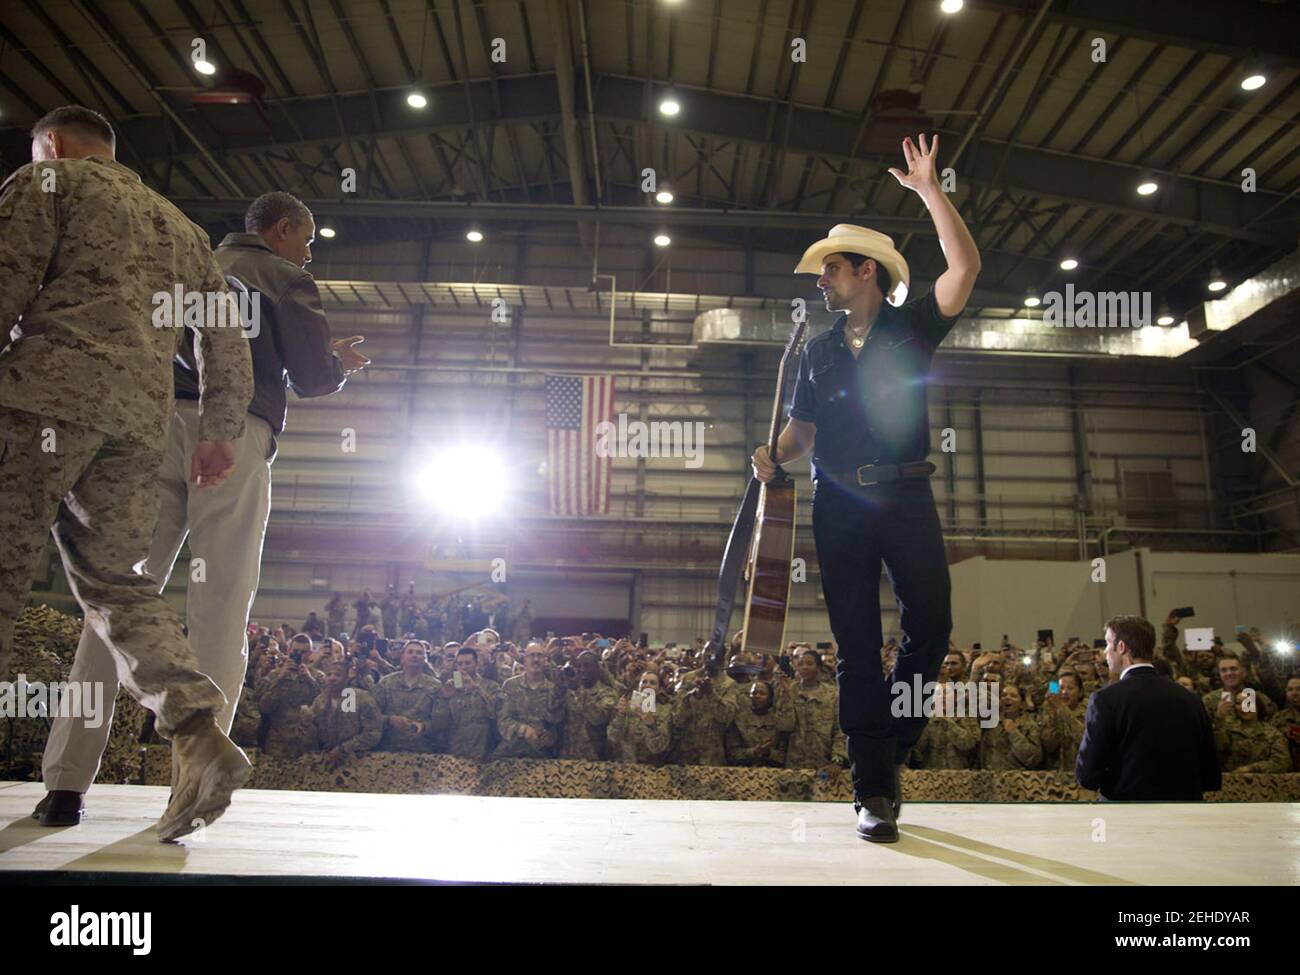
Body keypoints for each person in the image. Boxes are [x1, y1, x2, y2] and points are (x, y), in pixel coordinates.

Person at [40, 188, 367, 823]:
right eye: (306, 240)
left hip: (149, 428)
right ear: (279, 231)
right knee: (219, 603)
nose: (308, 253)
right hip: (234, 431)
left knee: (119, 603)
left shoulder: (184, 259)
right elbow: (312, 375)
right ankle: (191, 790)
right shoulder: (282, 278)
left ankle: (63, 784)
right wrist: (342, 365)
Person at [2, 106, 254, 839]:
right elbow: (224, 336)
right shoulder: (180, 226)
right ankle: (200, 733)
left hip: (37, 399)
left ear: (52, 144)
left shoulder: (49, 182)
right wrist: (219, 428)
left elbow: (7, 278)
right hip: (136, 428)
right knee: (117, 582)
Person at [752, 133, 979, 841]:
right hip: (839, 505)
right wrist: (770, 453)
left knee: (933, 624)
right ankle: (873, 790)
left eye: (830, 270)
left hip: (907, 496)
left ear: (866, 272)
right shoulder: (816, 353)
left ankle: (889, 738)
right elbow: (804, 435)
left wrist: (929, 192)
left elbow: (965, 266)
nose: (820, 282)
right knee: (855, 646)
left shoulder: (913, 329)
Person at [1076, 615, 1221, 800]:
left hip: (1128, 814)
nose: (1105, 651)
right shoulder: (1190, 699)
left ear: (1121, 647)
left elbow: (1088, 776)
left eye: (1107, 643)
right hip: (1185, 815)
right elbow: (1210, 776)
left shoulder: (1105, 700)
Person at [493, 641, 565, 758]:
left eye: (540, 655)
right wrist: (523, 730)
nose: (536, 659)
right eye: (531, 655)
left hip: (542, 754)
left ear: (545, 660)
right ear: (524, 660)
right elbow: (502, 720)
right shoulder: (510, 685)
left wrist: (551, 736)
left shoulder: (554, 690)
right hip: (512, 752)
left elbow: (559, 723)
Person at [433, 645, 500, 760]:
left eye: (468, 663)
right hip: (455, 751)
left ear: (476, 664)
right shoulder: (451, 687)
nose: (463, 667)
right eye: (460, 664)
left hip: (484, 752)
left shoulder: (491, 686)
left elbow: (495, 713)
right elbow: (439, 723)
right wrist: (444, 698)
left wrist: (476, 689)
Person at [313, 658, 383, 768]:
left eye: (337, 675)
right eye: (329, 674)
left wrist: (344, 748)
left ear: (346, 678)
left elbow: (373, 732)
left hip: (358, 761)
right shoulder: (319, 701)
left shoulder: (362, 698)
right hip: (327, 760)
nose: (332, 678)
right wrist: (305, 723)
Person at [373, 640, 441, 752]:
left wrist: (424, 726)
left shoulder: (435, 686)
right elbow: (372, 715)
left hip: (422, 749)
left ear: (424, 659)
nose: (414, 655)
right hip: (389, 748)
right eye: (410, 652)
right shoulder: (386, 683)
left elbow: (441, 721)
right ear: (402, 657)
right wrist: (389, 720)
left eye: (419, 653)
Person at [784, 648, 846, 771]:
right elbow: (784, 726)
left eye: (809, 664)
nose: (805, 667)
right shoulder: (789, 691)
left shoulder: (832, 693)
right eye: (800, 664)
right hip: (794, 762)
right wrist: (787, 696)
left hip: (824, 761)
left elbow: (840, 729)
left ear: (818, 667)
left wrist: (837, 761)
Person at [557, 651, 618, 760]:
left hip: (593, 759)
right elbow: (555, 715)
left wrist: (579, 690)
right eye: (579, 666)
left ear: (597, 669)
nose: (582, 670)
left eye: (587, 666)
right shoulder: (570, 690)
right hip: (567, 757)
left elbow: (597, 718)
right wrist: (560, 687)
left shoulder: (607, 693)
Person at [1216, 690, 1292, 773]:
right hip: (1228, 782)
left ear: (1258, 706)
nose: (1243, 707)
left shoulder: (1272, 734)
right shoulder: (1227, 729)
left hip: (1262, 784)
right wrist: (1219, 719)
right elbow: (1214, 751)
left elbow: (1282, 763)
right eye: (1239, 703)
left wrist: (1252, 768)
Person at [607, 672, 672, 765]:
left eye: (652, 683)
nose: (647, 685)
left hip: (651, 767)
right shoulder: (626, 706)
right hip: (624, 764)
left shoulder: (665, 710)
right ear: (639, 686)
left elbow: (659, 747)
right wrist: (620, 715)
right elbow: (613, 737)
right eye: (644, 682)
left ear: (659, 689)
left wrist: (652, 726)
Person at [726, 681, 794, 767]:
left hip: (772, 772)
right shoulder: (738, 720)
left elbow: (784, 756)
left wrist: (768, 753)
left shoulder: (779, 721)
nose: (757, 696)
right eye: (754, 693)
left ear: (770, 698)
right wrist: (753, 752)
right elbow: (731, 754)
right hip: (743, 771)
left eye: (762, 693)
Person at [977, 685, 1042, 770]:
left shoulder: (1030, 725)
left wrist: (1014, 733)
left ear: (1022, 703)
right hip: (992, 777)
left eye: (1013, 696)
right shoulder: (991, 723)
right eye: (1004, 695)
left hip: (1018, 778)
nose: (1007, 698)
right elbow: (983, 752)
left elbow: (1034, 758)